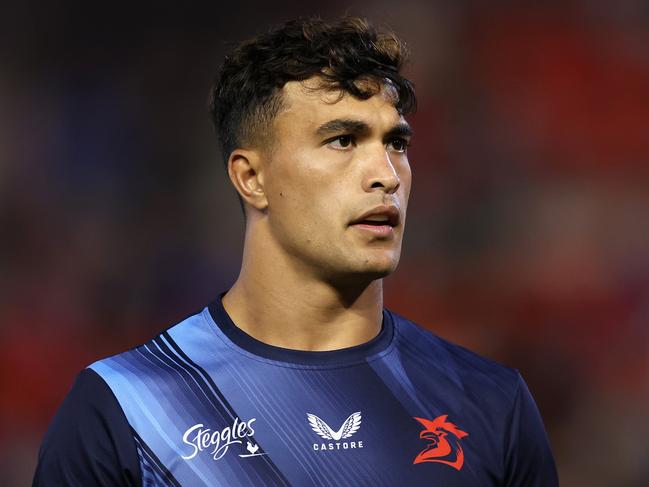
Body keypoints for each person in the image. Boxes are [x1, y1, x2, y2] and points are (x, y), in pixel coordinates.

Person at [33, 17, 559, 486]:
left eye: (396, 143)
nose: (386, 176)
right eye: (343, 141)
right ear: (251, 177)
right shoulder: (127, 410)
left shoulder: (490, 403)